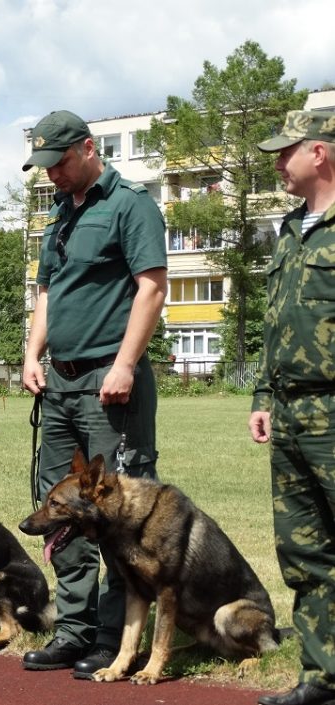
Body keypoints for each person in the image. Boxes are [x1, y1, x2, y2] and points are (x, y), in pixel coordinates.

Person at [19, 110, 167, 678]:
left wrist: (125, 364)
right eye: (42, 166)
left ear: (87, 149)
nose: (50, 174)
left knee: (116, 512)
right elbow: (47, 293)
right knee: (59, 508)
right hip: (60, 382)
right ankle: (74, 629)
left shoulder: (130, 204)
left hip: (110, 382)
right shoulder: (60, 214)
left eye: (57, 162)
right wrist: (33, 355)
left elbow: (151, 287)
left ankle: (113, 635)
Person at [249, 110, 335, 705]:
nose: (278, 164)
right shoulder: (288, 228)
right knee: (305, 553)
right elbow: (274, 324)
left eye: (287, 152)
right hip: (290, 416)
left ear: (321, 154)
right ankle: (322, 676)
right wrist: (261, 395)